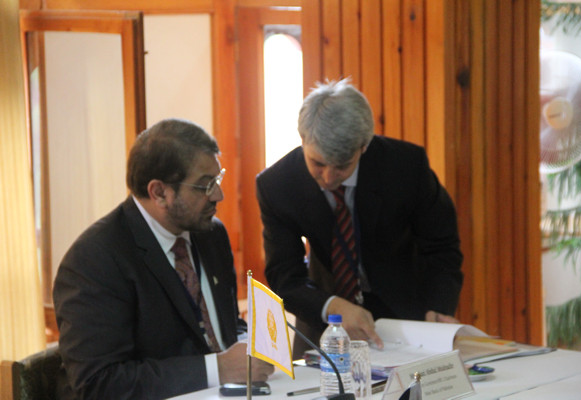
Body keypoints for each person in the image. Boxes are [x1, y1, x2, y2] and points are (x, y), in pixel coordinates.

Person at [53, 118, 273, 399]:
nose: (219, 195)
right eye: (205, 185)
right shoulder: (94, 260)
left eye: (217, 179)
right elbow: (99, 383)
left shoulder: (211, 234)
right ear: (159, 193)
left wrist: (247, 344)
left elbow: (223, 326)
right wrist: (218, 369)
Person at [256, 78, 464, 357]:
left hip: (404, 311)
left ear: (364, 146)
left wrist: (437, 307)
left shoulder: (405, 166)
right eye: (318, 163)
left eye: (342, 166)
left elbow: (441, 246)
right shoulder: (278, 185)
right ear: (302, 139)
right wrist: (332, 306)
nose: (328, 177)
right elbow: (285, 275)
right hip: (325, 314)